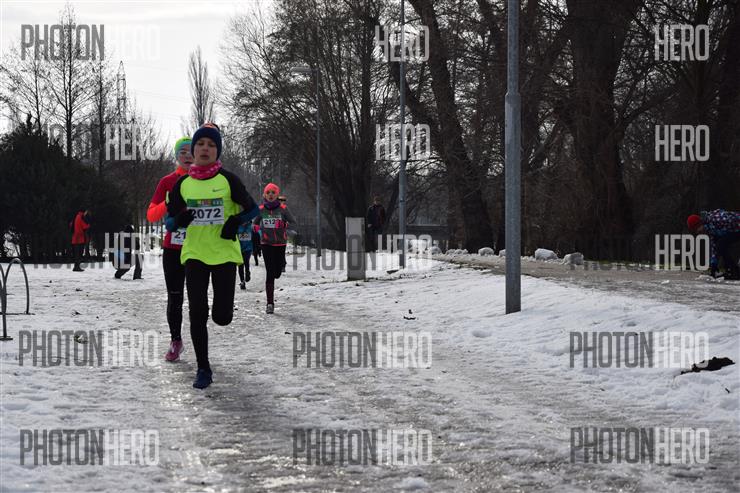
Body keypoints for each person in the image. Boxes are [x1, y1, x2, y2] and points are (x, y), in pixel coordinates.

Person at [166, 123, 259, 389]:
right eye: (200, 144)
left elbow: (254, 210)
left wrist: (236, 222)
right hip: (194, 254)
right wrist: (179, 221)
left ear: (217, 151)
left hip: (224, 255)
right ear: (193, 150)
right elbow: (169, 223)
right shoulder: (183, 184)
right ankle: (203, 368)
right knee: (197, 312)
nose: (205, 148)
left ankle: (222, 313)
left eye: (211, 145)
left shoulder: (228, 180)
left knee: (222, 317)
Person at [147, 137, 193, 362]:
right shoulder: (167, 181)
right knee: (175, 297)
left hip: (198, 248)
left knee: (197, 298)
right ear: (176, 156)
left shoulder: (206, 180)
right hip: (173, 248)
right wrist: (168, 203)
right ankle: (176, 341)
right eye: (182, 151)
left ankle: (200, 342)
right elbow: (151, 214)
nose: (187, 155)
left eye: (191, 151)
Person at [254, 183, 296, 314]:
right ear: (264, 195)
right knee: (270, 272)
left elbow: (293, 222)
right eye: (268, 193)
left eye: (273, 192)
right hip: (266, 244)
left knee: (277, 272)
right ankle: (270, 303)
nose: (270, 195)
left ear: (277, 195)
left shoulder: (283, 209)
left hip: (280, 243)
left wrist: (284, 225)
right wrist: (257, 228)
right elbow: (255, 222)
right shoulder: (261, 209)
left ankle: (278, 270)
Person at [687, 209, 740, 280]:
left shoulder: (716, 219)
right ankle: (732, 270)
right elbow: (714, 245)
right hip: (734, 231)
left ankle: (734, 271)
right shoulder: (709, 228)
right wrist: (714, 264)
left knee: (721, 243)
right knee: (720, 245)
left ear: (699, 224)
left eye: (696, 229)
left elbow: (734, 219)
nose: (698, 232)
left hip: (737, 228)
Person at [237, 220, 253, 289]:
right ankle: (242, 281)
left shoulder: (250, 227)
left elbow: (254, 236)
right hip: (239, 249)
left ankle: (247, 273)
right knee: (240, 265)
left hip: (248, 249)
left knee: (246, 262)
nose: (245, 222)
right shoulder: (237, 227)